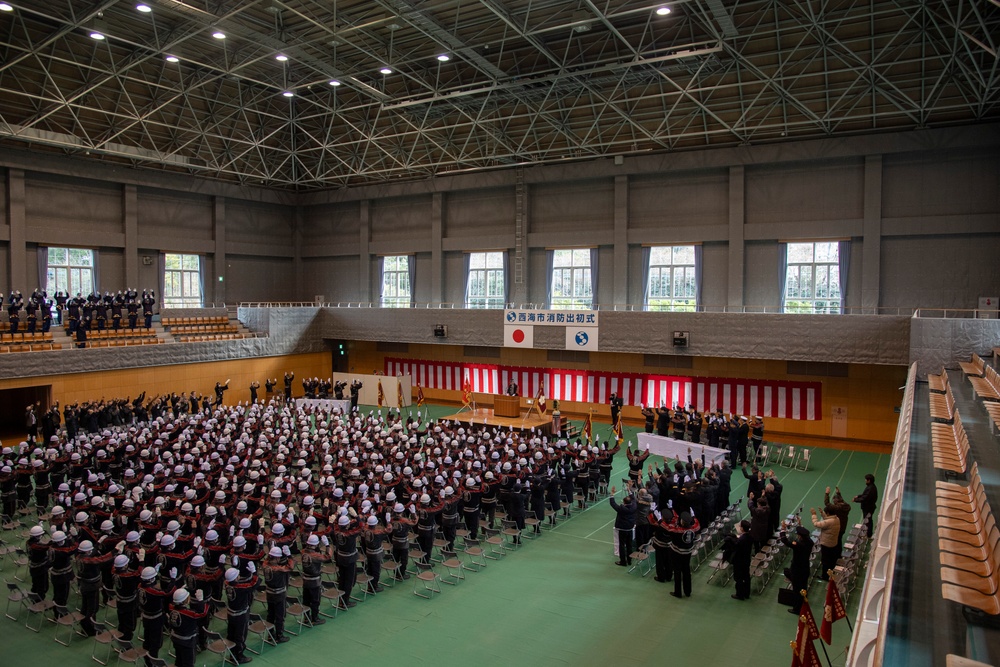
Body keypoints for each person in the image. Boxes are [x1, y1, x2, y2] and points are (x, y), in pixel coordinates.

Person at [167, 587, 208, 667]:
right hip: (187, 642)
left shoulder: (171, 608)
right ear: (185, 600)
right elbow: (202, 613)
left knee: (179, 661)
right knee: (188, 663)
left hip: (176, 639)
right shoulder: (189, 614)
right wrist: (200, 601)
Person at [224, 567, 255, 664]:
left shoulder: (227, 584)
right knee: (240, 636)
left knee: (231, 635)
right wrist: (254, 573)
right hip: (240, 616)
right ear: (235, 578)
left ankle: (232, 654)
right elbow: (253, 585)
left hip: (231, 614)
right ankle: (239, 656)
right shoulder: (240, 588)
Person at [262, 546, 292, 643]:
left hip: (269, 593)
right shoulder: (279, 569)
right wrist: (289, 556)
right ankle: (279, 635)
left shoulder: (265, 565)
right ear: (278, 558)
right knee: (280, 616)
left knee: (270, 614)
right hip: (279, 594)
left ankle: (270, 634)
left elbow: (266, 560)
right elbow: (290, 567)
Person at [781, 525, 814, 614]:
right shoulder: (810, 542)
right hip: (805, 568)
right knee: (803, 587)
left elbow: (785, 541)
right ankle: (804, 602)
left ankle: (797, 609)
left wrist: (783, 531)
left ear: (800, 536)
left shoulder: (799, 545)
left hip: (797, 570)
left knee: (796, 590)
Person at [668, 511, 700, 598]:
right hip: (687, 553)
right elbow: (697, 524)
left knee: (677, 572)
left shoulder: (678, 531)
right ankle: (688, 591)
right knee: (686, 571)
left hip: (677, 553)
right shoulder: (693, 529)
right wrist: (694, 517)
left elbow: (669, 528)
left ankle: (678, 592)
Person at [724, 519, 754, 600]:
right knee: (746, 577)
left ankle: (739, 594)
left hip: (739, 561)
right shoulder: (750, 536)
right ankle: (747, 593)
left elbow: (736, 547)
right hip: (747, 560)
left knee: (739, 578)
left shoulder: (742, 540)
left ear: (742, 528)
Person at [608, 485, 636, 567]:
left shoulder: (621, 508)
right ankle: (630, 560)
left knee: (622, 545)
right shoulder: (634, 506)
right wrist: (629, 490)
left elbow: (613, 504)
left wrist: (612, 494)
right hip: (630, 528)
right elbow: (634, 499)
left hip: (622, 529)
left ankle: (623, 561)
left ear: (624, 503)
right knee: (629, 544)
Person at [811, 505, 841, 580]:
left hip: (826, 544)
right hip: (833, 542)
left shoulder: (829, 522)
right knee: (831, 560)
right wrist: (822, 513)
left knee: (825, 561)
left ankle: (825, 576)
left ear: (828, 513)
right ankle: (831, 572)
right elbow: (827, 520)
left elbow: (816, 524)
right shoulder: (837, 519)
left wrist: (814, 515)